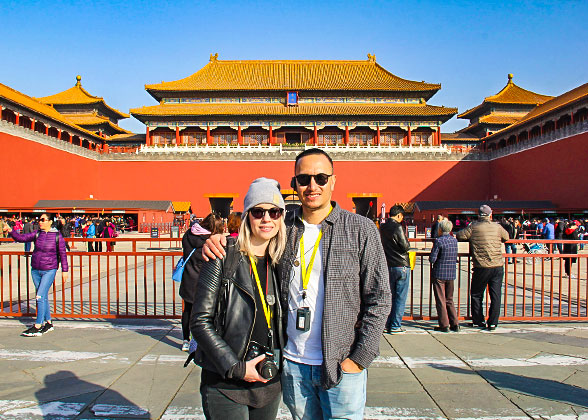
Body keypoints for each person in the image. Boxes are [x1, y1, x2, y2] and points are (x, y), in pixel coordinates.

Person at [204, 149, 391, 420]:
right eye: (304, 179)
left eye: (321, 178)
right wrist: (218, 240)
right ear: (294, 184)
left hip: (341, 363)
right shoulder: (284, 226)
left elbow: (380, 298)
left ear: (333, 181)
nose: (312, 186)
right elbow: (251, 237)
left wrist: (360, 358)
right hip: (293, 365)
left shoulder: (360, 229)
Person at [191, 178, 287, 420]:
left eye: (274, 212)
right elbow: (200, 321)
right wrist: (236, 367)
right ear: (247, 217)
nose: (267, 219)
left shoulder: (282, 262)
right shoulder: (223, 255)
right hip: (227, 383)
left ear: (281, 218)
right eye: (258, 212)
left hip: (269, 382)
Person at [3, 213, 68, 336]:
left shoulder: (57, 236)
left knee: (39, 296)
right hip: (36, 269)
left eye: (43, 220)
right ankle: (48, 323)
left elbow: (63, 254)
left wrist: (65, 270)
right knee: (42, 296)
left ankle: (38, 325)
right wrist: (11, 231)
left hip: (49, 269)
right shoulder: (37, 234)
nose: (40, 222)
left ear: (50, 221)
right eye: (40, 220)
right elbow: (22, 238)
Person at [456, 205, 509, 331]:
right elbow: (506, 237)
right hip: (497, 265)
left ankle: (478, 320)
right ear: (490, 215)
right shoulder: (497, 226)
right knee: (496, 295)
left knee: (476, 294)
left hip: (481, 266)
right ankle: (493, 322)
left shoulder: (473, 227)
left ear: (478, 215)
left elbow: (459, 235)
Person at [179, 213, 224, 352]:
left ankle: (185, 340)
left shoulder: (188, 234)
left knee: (188, 310)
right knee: (204, 313)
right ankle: (199, 341)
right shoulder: (210, 241)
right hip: (204, 281)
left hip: (188, 278)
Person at [380, 204, 411, 334]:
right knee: (400, 297)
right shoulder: (398, 227)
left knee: (390, 296)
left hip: (389, 265)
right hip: (401, 264)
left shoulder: (382, 227)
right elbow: (405, 246)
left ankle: (387, 323)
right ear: (399, 215)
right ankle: (395, 325)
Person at [429, 219, 459, 332]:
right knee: (449, 299)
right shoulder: (454, 241)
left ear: (440, 229)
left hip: (439, 273)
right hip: (451, 273)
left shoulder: (439, 241)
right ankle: (455, 323)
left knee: (440, 300)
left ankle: (444, 324)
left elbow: (432, 259)